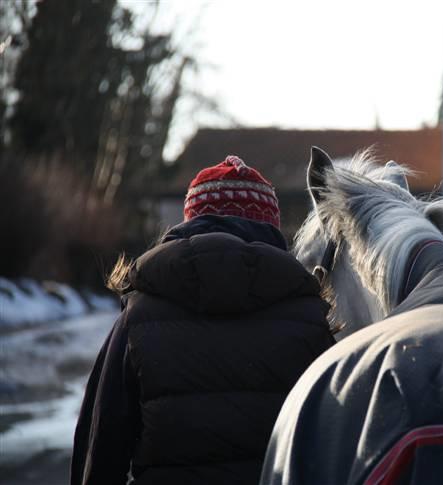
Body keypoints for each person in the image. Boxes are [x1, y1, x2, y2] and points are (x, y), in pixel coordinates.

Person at [71, 155, 334, 485]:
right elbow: (332, 447)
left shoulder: (138, 317)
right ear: (271, 228)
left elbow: (102, 442)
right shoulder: (312, 319)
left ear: (188, 222)